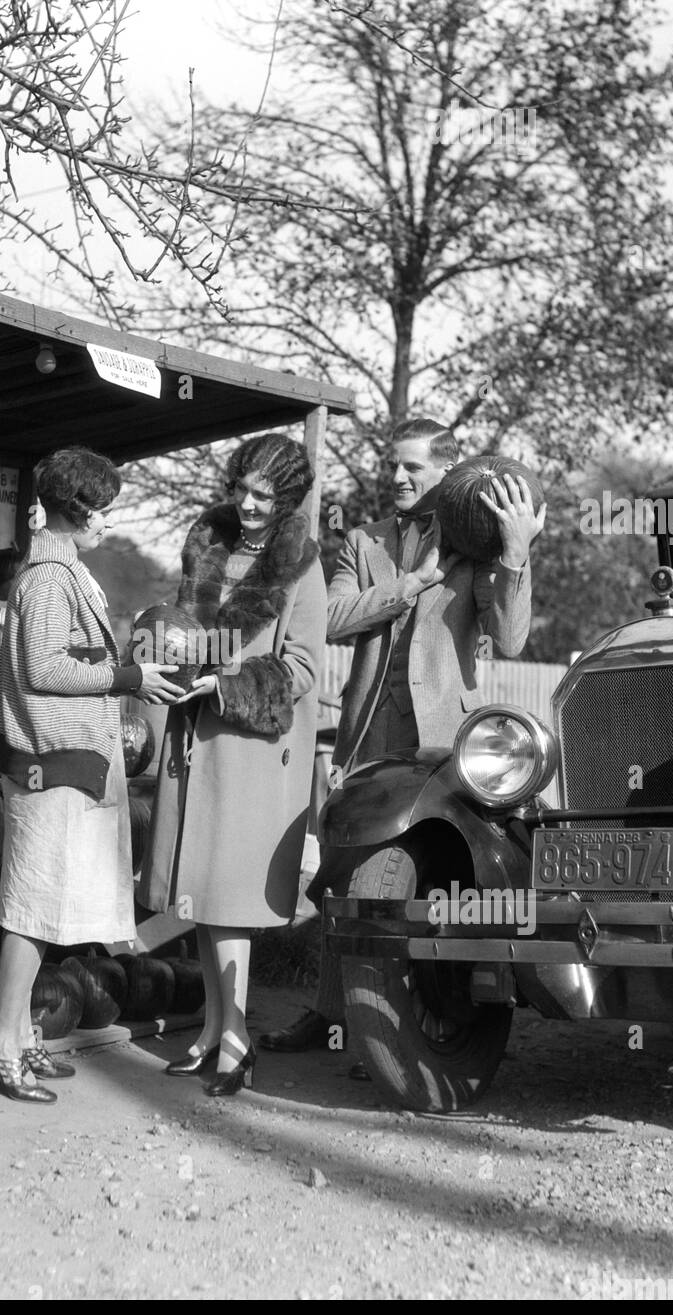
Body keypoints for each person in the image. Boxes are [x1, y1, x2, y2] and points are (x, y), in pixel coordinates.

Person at [259, 417, 546, 1064]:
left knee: (427, 882)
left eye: (411, 467)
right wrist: (410, 585)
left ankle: (398, 1029)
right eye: (393, 466)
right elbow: (330, 620)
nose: (396, 477)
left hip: (445, 746)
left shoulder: (477, 550)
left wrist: (516, 553)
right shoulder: (363, 542)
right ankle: (332, 1016)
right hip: (369, 738)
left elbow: (511, 638)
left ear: (446, 474)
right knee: (343, 877)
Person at [0, 446, 181, 1103]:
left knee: (48, 904)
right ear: (82, 510)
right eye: (107, 512)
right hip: (48, 765)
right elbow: (46, 670)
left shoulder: (64, 574)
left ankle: (22, 1037)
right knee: (32, 909)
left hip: (63, 764)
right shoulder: (48, 581)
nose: (109, 525)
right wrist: (130, 677)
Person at [138, 434, 327, 1097]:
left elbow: (304, 668)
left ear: (287, 502)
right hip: (194, 742)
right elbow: (179, 633)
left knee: (229, 899)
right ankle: (213, 1032)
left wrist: (222, 686)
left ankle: (238, 1040)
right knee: (199, 895)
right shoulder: (206, 549)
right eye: (241, 488)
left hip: (252, 749)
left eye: (264, 495)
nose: (247, 504)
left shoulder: (301, 567)